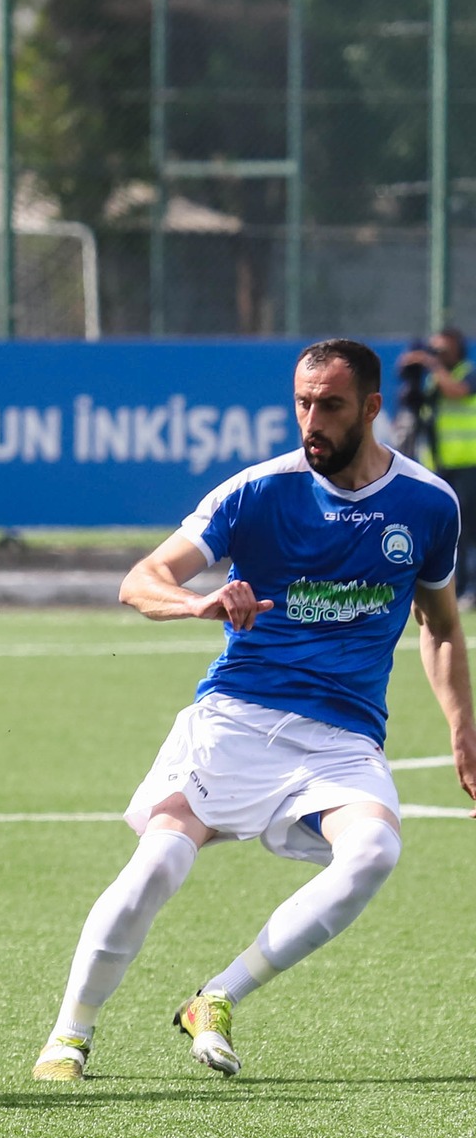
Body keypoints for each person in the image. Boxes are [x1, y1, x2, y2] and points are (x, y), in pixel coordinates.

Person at [33, 337, 476, 1084]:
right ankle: (69, 1036)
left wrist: (463, 733)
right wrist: (197, 601)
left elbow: (438, 625)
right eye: (303, 402)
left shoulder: (428, 505)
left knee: (373, 852)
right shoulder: (257, 490)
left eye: (331, 406)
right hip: (236, 719)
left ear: (370, 408)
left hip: (343, 738)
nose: (313, 420)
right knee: (159, 863)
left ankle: (216, 997)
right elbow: (141, 581)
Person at [397, 328, 476, 598]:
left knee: (468, 530)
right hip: (439, 466)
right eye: (435, 349)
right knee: (446, 531)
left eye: (443, 349)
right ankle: (455, 587)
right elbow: (413, 407)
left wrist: (432, 364)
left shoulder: (468, 372)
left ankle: (470, 588)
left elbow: (458, 392)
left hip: (469, 462)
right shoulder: (432, 381)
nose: (438, 354)